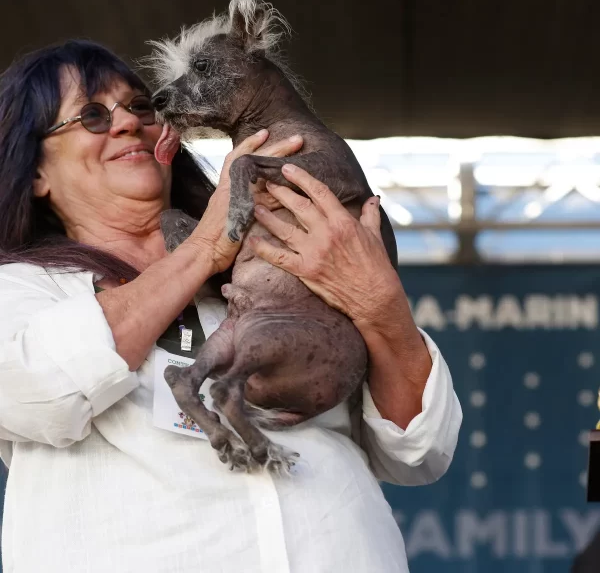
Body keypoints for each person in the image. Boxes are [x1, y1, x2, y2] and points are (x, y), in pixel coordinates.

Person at [0, 40, 462, 573]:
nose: (128, 123)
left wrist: (380, 305)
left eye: (142, 106)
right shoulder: (25, 289)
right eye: (92, 115)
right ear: (35, 173)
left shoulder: (294, 257)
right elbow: (38, 391)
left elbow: (419, 453)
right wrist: (202, 249)